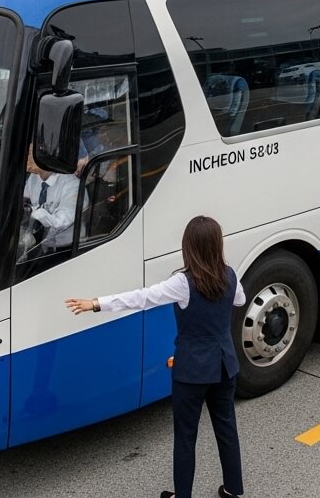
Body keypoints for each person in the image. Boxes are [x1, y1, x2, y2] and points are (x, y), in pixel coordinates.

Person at [65, 216, 246, 498]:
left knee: (186, 437)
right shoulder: (230, 274)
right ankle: (233, 490)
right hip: (225, 365)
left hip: (192, 372)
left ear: (189, 246)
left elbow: (142, 297)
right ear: (217, 245)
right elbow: (240, 300)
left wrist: (96, 304)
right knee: (226, 428)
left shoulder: (183, 283)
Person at [19, 153, 80, 258]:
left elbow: (62, 222)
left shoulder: (72, 184)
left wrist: (38, 215)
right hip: (42, 246)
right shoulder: (34, 178)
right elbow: (24, 199)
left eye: (29, 153)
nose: (25, 157)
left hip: (67, 249)